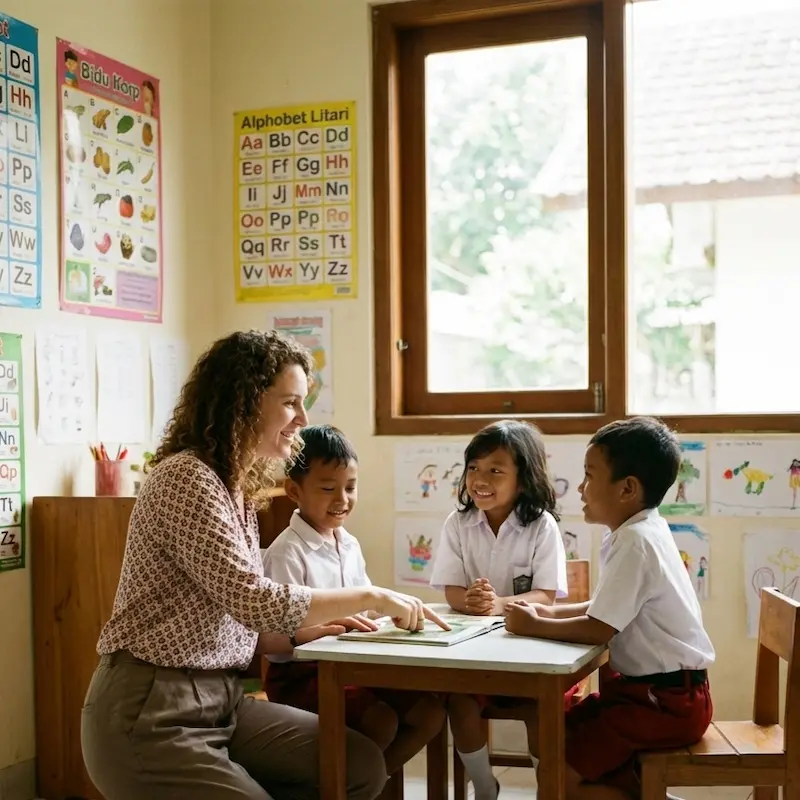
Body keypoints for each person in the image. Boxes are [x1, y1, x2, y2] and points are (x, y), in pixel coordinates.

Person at [81, 330, 448, 800]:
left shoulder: (232, 485)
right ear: (244, 401)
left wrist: (301, 634)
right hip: (152, 710)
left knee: (358, 765)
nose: (303, 418)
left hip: (223, 700)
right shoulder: (184, 478)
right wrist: (374, 596)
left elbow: (234, 619)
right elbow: (252, 599)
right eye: (291, 402)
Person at [505, 416, 715, 800]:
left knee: (559, 774)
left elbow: (599, 628)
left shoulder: (636, 542)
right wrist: (545, 613)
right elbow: (605, 608)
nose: (581, 489)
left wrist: (533, 626)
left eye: (589, 476)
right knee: (557, 733)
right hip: (661, 696)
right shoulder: (641, 528)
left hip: (664, 703)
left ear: (627, 489)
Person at [262, 424, 446, 775]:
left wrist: (384, 620)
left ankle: (367, 787)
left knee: (430, 712)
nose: (342, 500)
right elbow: (271, 643)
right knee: (380, 721)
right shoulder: (287, 552)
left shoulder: (349, 544)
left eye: (350, 487)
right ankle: (343, 787)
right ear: (293, 490)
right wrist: (321, 629)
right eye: (328, 488)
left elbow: (364, 608)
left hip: (353, 665)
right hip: (302, 676)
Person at [429, 419, 568, 800]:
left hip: (528, 652)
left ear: (523, 480)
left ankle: (547, 788)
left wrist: (500, 604)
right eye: (473, 468)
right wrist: (469, 601)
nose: (480, 479)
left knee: (540, 708)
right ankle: (484, 786)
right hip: (474, 654)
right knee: (460, 702)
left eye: (495, 470)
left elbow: (547, 595)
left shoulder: (541, 527)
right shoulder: (457, 524)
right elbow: (452, 590)